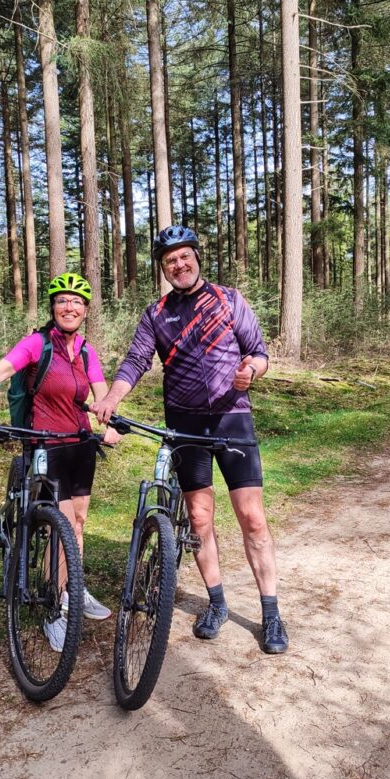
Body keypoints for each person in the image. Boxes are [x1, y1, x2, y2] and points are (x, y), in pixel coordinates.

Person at [90, 225, 288, 655]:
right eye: (169, 261)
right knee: (199, 518)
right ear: (163, 269)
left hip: (233, 420)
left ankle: (270, 612)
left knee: (252, 518)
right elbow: (136, 362)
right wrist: (111, 396)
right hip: (184, 425)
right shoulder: (157, 314)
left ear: (196, 258)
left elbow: (259, 352)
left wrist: (251, 371)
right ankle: (216, 604)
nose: (179, 265)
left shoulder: (230, 300)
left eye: (184, 257)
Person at [0, 272, 119, 652]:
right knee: (62, 526)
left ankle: (73, 588)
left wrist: (110, 422)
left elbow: (102, 395)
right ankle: (56, 608)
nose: (69, 306)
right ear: (53, 308)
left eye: (76, 302)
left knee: (79, 522)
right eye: (62, 301)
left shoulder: (87, 351)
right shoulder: (36, 344)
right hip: (46, 445)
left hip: (81, 445)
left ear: (86, 311)